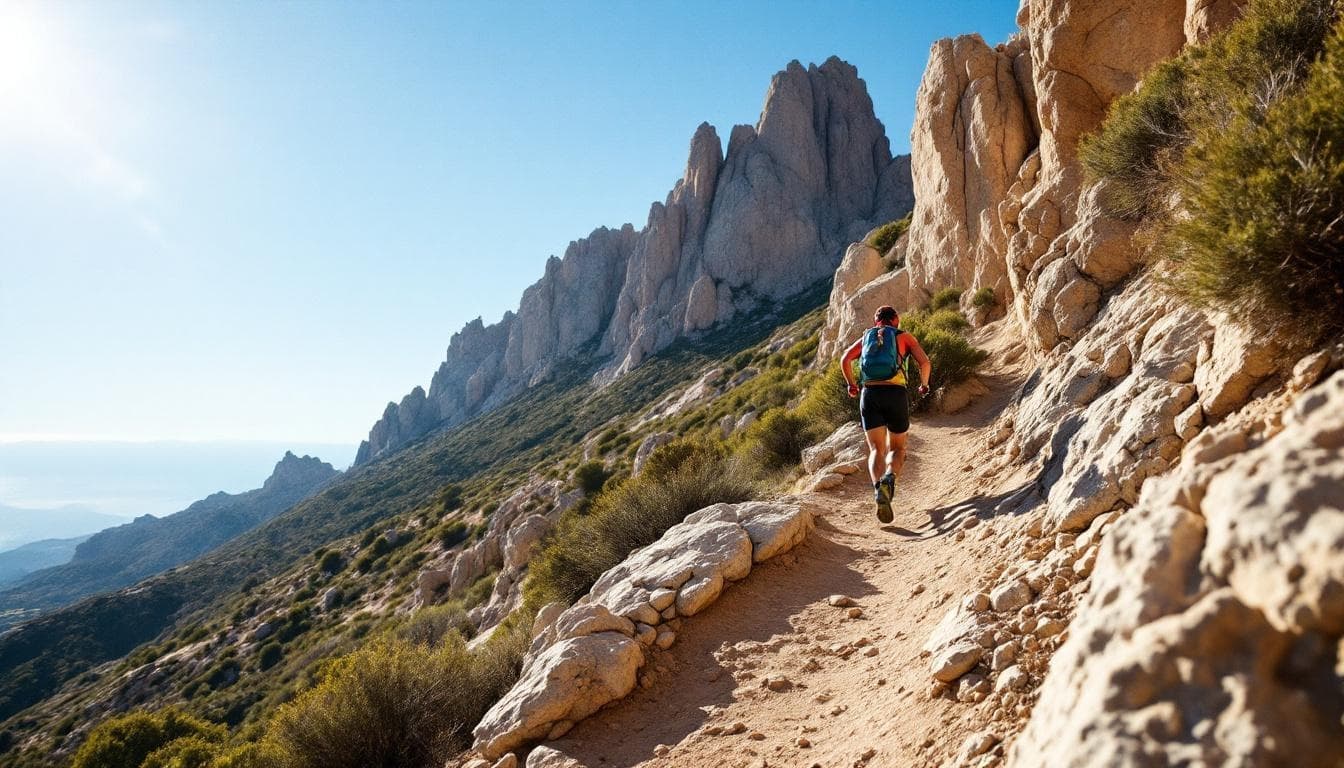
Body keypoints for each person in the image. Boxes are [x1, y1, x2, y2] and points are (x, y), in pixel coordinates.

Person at [840, 305, 931, 523]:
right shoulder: (903, 336)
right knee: (898, 447)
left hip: (869, 394)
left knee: (875, 449)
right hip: (895, 394)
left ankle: (877, 488)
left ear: (876, 321)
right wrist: (924, 385)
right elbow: (925, 362)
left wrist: (851, 385)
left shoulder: (866, 338)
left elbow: (845, 358)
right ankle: (889, 479)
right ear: (896, 319)